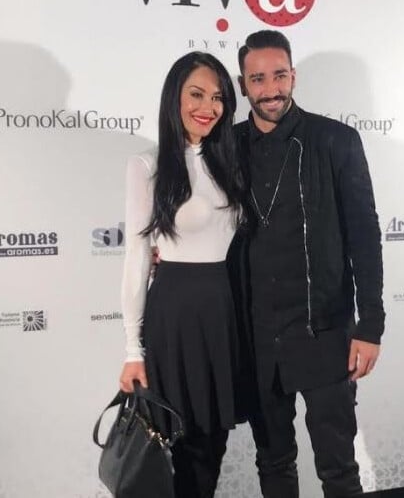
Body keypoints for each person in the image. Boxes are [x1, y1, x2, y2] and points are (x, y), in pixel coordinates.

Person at [231, 30, 385, 498]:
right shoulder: (227, 147)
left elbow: (364, 233)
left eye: (279, 75)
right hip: (257, 339)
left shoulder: (336, 140)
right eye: (258, 79)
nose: (271, 88)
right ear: (243, 86)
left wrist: (371, 324)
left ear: (293, 75)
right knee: (273, 462)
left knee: (338, 468)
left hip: (325, 332)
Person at [118, 51, 247, 498]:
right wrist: (133, 350)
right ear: (174, 96)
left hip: (223, 311)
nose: (207, 107)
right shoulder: (146, 165)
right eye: (196, 94)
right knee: (181, 443)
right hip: (174, 313)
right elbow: (136, 256)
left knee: (214, 442)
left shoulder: (229, 162)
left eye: (218, 98)